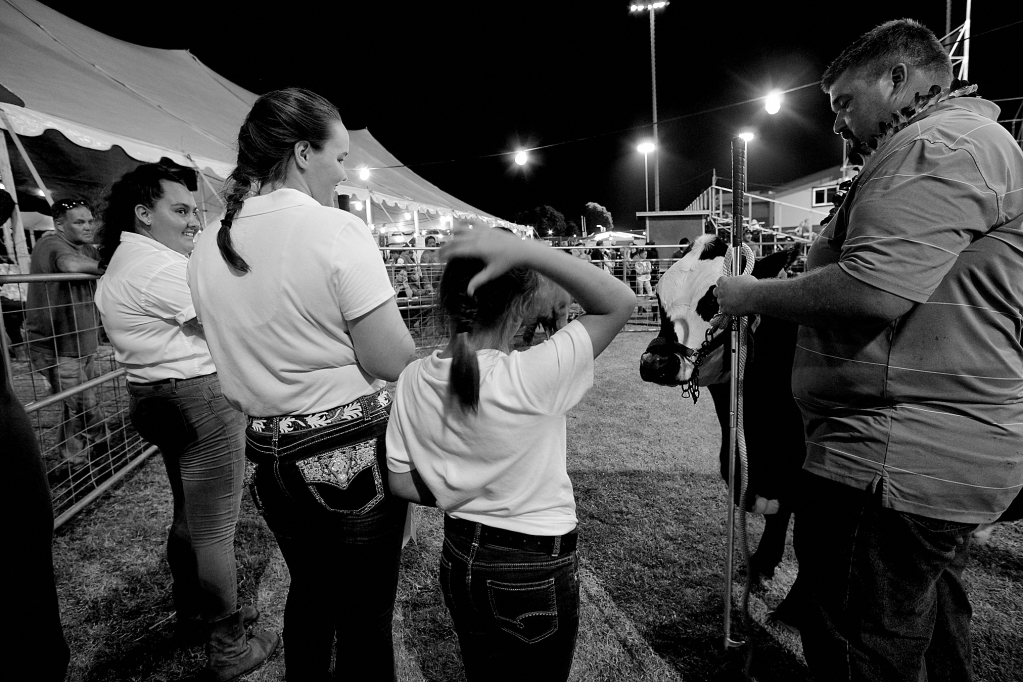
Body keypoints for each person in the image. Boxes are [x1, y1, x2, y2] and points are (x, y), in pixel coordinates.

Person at [715, 19, 1023, 682]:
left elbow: (871, 289)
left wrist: (748, 295)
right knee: (925, 630)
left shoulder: (932, 144)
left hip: (891, 458)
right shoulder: (964, 140)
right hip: (922, 455)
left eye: (844, 103)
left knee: (861, 649)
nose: (837, 123)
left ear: (897, 79)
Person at [187, 87, 416, 682]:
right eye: (339, 157)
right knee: (364, 617)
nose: (343, 173)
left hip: (268, 450)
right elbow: (392, 357)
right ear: (303, 153)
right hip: (348, 450)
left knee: (311, 591)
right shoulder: (335, 230)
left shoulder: (207, 243)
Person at [386, 226, 636, 682]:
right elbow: (618, 301)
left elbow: (401, 482)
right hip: (531, 567)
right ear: (521, 306)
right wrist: (528, 251)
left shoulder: (411, 379)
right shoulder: (531, 375)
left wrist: (461, 488)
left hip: (459, 555)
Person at [94, 164, 278, 681]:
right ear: (143, 213)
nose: (194, 221)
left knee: (191, 515)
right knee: (215, 527)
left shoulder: (129, 261)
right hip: (196, 398)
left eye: (194, 210)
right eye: (180, 210)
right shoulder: (156, 268)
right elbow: (229, 318)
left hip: (157, 396)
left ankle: (196, 612)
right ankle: (228, 645)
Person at [25, 197, 107, 471]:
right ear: (59, 224)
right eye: (79, 222)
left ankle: (74, 461)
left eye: (90, 221)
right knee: (84, 404)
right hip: (56, 346)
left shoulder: (87, 248)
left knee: (74, 405)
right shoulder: (51, 243)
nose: (88, 227)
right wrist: (107, 267)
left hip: (83, 341)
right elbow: (70, 265)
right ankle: (101, 443)